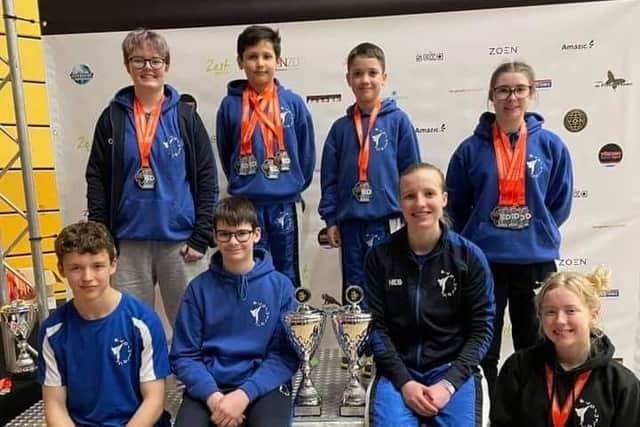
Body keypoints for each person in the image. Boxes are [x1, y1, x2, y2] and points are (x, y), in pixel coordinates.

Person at [445, 61, 573, 397]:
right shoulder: (470, 150)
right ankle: (487, 408)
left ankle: (531, 408)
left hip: (534, 259)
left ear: (532, 93)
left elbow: (558, 202)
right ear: (491, 96)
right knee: (482, 341)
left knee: (535, 342)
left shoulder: (551, 146)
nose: (511, 97)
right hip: (484, 260)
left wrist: (536, 228)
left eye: (519, 89)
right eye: (503, 90)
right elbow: (455, 205)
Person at [86, 28, 218, 326]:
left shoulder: (185, 117)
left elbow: (207, 177)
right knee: (132, 326)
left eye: (155, 60)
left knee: (192, 326)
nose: (148, 67)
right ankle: (139, 376)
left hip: (181, 243)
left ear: (166, 65)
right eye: (139, 60)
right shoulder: (112, 118)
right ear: (127, 66)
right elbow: (96, 177)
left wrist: (201, 235)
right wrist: (103, 237)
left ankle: (191, 375)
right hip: (128, 242)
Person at [366, 163, 495, 427]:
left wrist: (448, 385)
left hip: (453, 369)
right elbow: (375, 328)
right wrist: (405, 382)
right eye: (410, 196)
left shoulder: (469, 258)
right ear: (399, 201)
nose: (420, 203)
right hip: (398, 371)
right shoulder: (379, 257)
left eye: (429, 193)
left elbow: (482, 330)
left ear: (444, 199)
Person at [170, 196, 299, 427]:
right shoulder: (198, 289)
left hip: (262, 386)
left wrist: (244, 395)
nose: (233, 241)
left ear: (256, 235)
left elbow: (285, 355)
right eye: (225, 234)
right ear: (214, 237)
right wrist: (214, 398)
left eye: (241, 233)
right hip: (211, 387)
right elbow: (184, 355)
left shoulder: (281, 288)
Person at [38, 221, 170, 427]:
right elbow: (55, 406)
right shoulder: (52, 331)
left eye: (97, 266)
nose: (87, 277)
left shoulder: (142, 322)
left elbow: (153, 401)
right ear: (61, 270)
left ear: (113, 264)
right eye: (76, 268)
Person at [318, 42, 420, 306]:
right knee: (355, 294)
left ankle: (391, 347)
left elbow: (412, 174)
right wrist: (330, 219)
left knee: (393, 291)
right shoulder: (340, 129)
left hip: (389, 223)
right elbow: (329, 179)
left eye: (372, 73)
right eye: (358, 73)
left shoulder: (398, 122)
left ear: (384, 78)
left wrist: (412, 216)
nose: (365, 80)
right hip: (351, 225)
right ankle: (358, 346)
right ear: (349, 79)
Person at [216, 25, 315, 288]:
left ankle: (289, 328)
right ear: (240, 61)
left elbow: (306, 154)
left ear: (278, 61)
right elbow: (227, 154)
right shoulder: (230, 105)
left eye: (267, 56)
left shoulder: (292, 103)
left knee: (288, 274)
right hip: (246, 205)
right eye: (252, 56)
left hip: (286, 203)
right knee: (250, 271)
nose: (260, 63)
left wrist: (290, 184)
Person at [491, 266, 640, 426]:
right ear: (540, 316)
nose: (560, 320)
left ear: (593, 315)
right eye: (550, 312)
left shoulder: (621, 383)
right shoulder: (518, 368)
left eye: (571, 311)